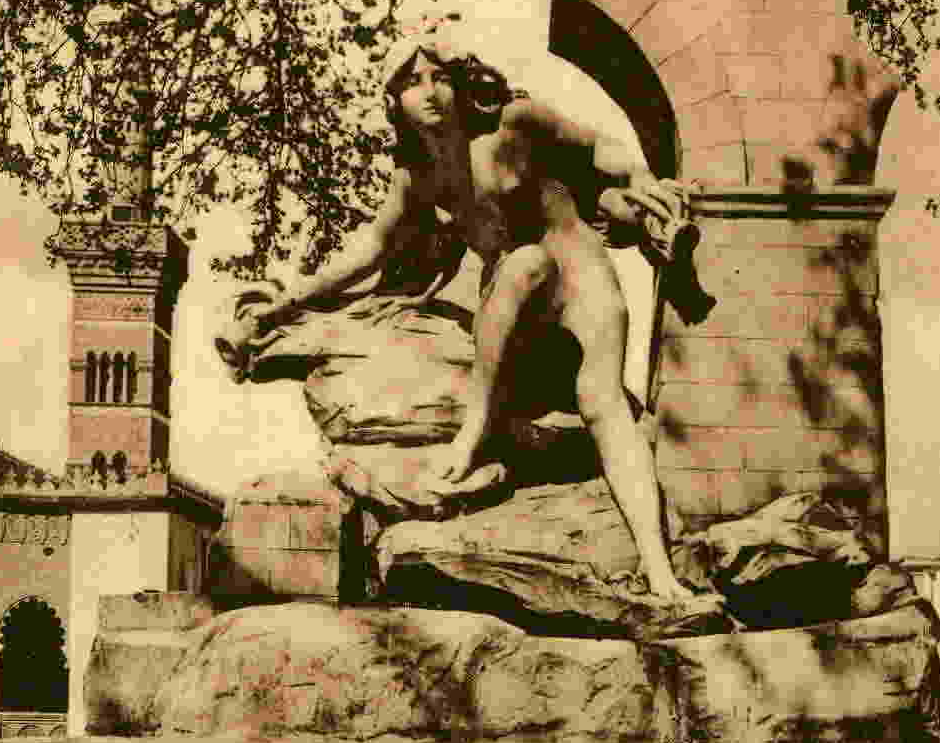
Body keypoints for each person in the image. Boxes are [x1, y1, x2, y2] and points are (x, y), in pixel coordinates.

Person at [236, 34, 702, 604]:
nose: (428, 92)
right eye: (412, 83)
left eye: (438, 77)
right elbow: (371, 249)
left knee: (604, 403)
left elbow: (595, 146)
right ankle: (476, 429)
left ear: (459, 83)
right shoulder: (417, 177)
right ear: (394, 100)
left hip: (580, 275)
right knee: (520, 265)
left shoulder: (514, 123)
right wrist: (286, 304)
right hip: (516, 305)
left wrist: (640, 181)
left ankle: (660, 573)